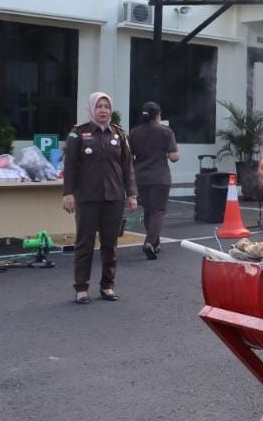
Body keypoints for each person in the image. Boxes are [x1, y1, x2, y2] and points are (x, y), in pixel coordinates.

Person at [62, 92, 138, 304]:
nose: (103, 110)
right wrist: (68, 193)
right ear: (91, 109)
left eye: (106, 106)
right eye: (99, 106)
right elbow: (69, 166)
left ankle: (107, 286)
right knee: (84, 243)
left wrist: (131, 194)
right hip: (87, 197)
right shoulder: (78, 134)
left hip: (113, 197)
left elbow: (127, 167)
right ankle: (81, 288)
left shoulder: (119, 135)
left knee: (110, 244)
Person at [128, 101, 180, 260]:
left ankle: (155, 244)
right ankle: (150, 242)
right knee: (158, 210)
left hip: (141, 177)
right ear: (157, 115)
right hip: (160, 177)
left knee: (149, 210)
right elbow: (174, 157)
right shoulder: (165, 131)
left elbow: (129, 156)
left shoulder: (134, 133)